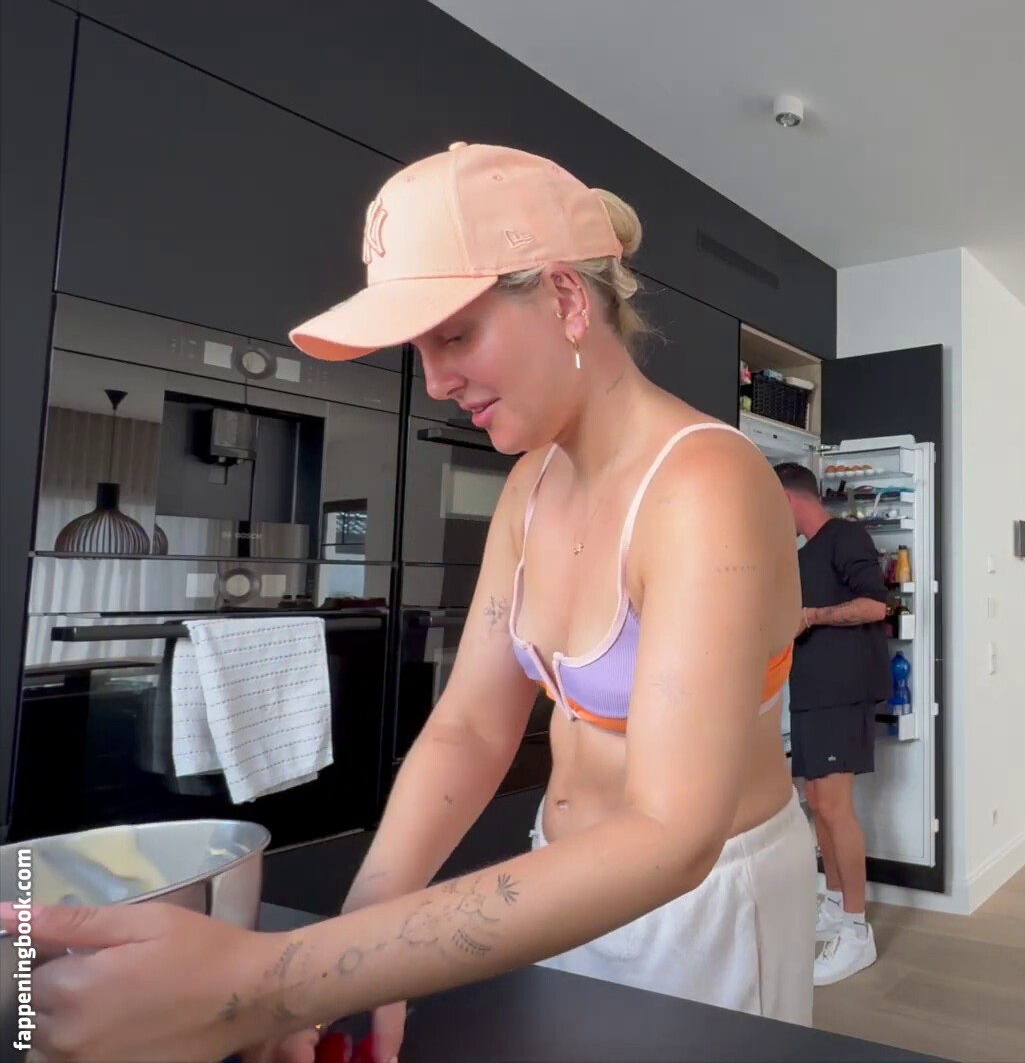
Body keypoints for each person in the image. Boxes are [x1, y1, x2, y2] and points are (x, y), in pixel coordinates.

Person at [5, 143, 816, 1063]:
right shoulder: (533, 484)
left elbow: (670, 835)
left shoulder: (706, 483)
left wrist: (271, 982)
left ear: (564, 298)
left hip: (700, 908)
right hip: (559, 879)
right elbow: (471, 725)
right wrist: (365, 930)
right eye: (420, 348)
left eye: (455, 335)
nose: (435, 381)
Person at [774, 463, 891, 987]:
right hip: (810, 694)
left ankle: (856, 931)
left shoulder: (845, 535)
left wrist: (812, 616)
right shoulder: (802, 556)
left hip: (843, 693)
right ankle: (836, 903)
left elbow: (874, 605)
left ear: (788, 498)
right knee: (818, 804)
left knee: (836, 808)